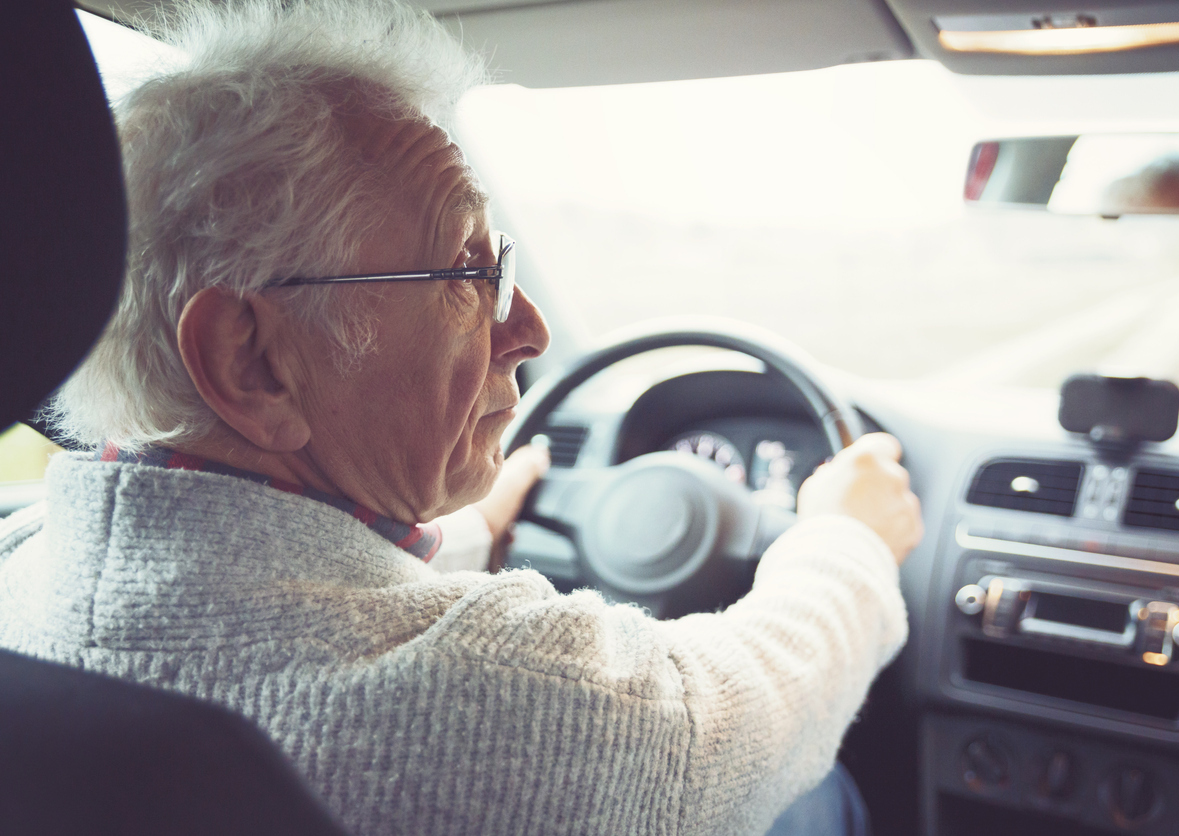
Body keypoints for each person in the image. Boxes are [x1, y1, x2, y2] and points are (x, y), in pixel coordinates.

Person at [0, 2, 923, 834]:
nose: (528, 327)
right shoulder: (507, 695)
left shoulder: (22, 561)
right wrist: (847, 541)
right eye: (464, 273)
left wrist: (470, 531)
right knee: (818, 798)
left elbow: (260, 589)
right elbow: (743, 718)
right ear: (252, 361)